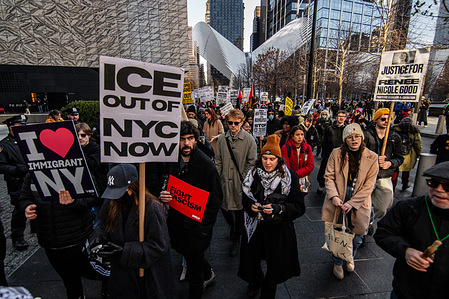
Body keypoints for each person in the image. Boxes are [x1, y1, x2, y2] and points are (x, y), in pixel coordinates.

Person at [156, 121, 223, 299]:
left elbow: (215, 199)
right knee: (190, 255)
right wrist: (164, 195)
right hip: (177, 225)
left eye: (190, 139)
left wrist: (203, 228)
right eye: (182, 139)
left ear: (195, 139)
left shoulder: (206, 165)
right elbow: (165, 184)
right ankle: (207, 272)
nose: (186, 143)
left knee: (194, 271)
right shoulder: (171, 161)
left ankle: (199, 286)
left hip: (196, 227)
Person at [92, 164, 176, 298]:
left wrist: (125, 250)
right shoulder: (111, 203)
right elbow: (103, 225)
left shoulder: (151, 207)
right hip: (121, 277)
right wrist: (98, 239)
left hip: (145, 278)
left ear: (132, 187)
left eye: (119, 191)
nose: (115, 197)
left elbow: (159, 245)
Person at [238, 134, 305, 298]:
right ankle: (255, 282)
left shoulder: (290, 177)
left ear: (279, 160)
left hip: (278, 231)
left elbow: (299, 207)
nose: (268, 162)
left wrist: (279, 208)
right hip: (255, 227)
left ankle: (267, 292)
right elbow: (245, 198)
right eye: (265, 158)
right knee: (252, 261)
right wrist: (250, 206)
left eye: (272, 159)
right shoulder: (252, 175)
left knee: (274, 267)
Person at [19, 174, 106, 299]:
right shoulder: (33, 172)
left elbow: (94, 197)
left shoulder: (77, 165)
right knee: (69, 280)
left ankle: (108, 286)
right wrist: (27, 207)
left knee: (91, 271)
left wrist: (74, 202)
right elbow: (25, 197)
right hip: (49, 240)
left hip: (76, 238)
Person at [374, 161, 449, 298]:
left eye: (447, 186)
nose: (439, 189)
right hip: (406, 291)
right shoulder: (408, 207)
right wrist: (405, 251)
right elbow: (383, 232)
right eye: (434, 183)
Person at [322, 123, 379, 279]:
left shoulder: (372, 157)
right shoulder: (336, 153)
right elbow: (329, 176)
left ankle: (349, 256)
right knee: (338, 232)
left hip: (359, 200)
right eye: (350, 137)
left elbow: (369, 185)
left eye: (357, 136)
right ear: (345, 139)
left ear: (362, 137)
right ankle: (337, 262)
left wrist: (353, 202)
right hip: (339, 197)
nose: (354, 140)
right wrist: (333, 196)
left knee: (358, 234)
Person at [216, 109, 257, 257]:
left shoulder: (249, 140)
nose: (233, 126)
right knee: (224, 208)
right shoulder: (222, 139)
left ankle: (237, 239)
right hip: (225, 181)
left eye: (236, 123)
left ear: (241, 122)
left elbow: (251, 162)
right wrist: (217, 178)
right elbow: (218, 160)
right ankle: (233, 227)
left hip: (240, 183)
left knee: (240, 212)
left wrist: (244, 179)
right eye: (230, 123)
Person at [364, 108, 403, 232]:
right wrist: (374, 159)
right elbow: (359, 154)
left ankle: (368, 220)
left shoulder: (395, 137)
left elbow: (400, 157)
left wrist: (390, 163)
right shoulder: (366, 135)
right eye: (383, 119)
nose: (386, 121)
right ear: (376, 120)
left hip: (384, 176)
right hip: (368, 175)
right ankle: (363, 226)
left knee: (382, 207)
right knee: (364, 204)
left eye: (389, 119)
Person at [0, 115, 29, 251]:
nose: (22, 128)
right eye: (19, 126)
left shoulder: (27, 140)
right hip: (16, 183)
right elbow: (1, 166)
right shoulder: (4, 145)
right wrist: (19, 169)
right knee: (20, 210)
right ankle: (18, 237)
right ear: (11, 127)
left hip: (30, 180)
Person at [75, 123, 109, 228]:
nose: (80, 138)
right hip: (81, 190)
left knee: (98, 221)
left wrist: (80, 153)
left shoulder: (96, 148)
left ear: (89, 135)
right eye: (77, 135)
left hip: (97, 190)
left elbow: (95, 165)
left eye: (83, 135)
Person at [316, 110, 347, 194]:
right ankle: (321, 185)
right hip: (329, 153)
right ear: (336, 117)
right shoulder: (330, 129)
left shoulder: (347, 129)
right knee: (325, 170)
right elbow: (325, 142)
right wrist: (324, 154)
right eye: (339, 116)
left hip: (342, 154)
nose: (341, 118)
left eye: (343, 116)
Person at [281, 125, 315, 193]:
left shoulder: (307, 148)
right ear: (292, 136)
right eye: (297, 135)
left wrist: (296, 174)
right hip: (290, 180)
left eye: (302, 134)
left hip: (303, 180)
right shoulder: (286, 148)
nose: (300, 137)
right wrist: (294, 177)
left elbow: (310, 165)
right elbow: (286, 167)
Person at [392, 118, 422, 190]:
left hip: (396, 153)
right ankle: (405, 185)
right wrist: (418, 153)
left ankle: (393, 186)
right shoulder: (414, 131)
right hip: (408, 154)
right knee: (406, 172)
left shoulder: (395, 129)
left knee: (395, 171)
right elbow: (418, 144)